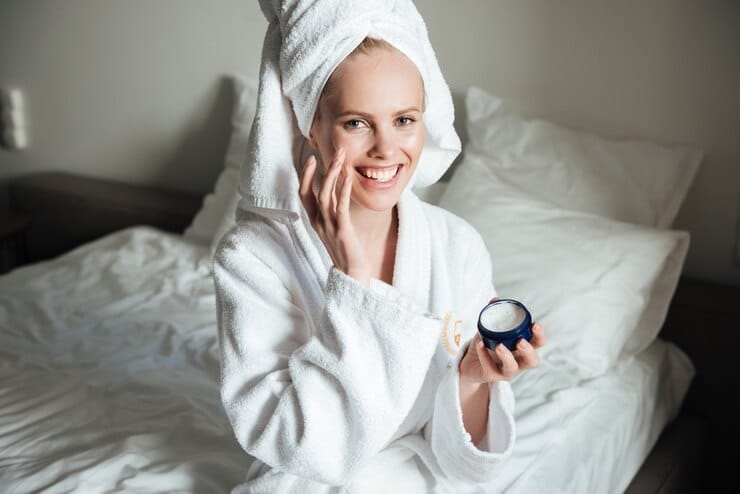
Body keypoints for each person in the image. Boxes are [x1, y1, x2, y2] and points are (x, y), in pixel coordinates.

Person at [212, 2, 545, 493]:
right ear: (311, 126)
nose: (387, 150)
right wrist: (352, 283)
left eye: (405, 119)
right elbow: (301, 444)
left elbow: (461, 460)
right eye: (356, 123)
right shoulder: (250, 259)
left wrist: (472, 379)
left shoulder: (456, 246)